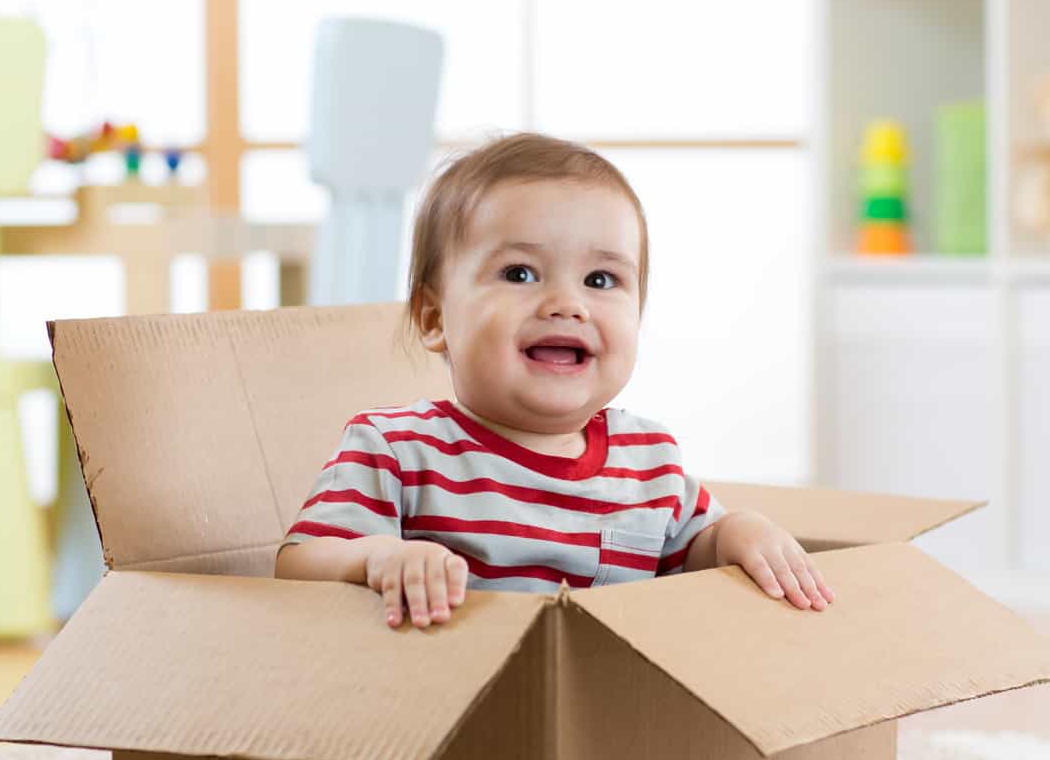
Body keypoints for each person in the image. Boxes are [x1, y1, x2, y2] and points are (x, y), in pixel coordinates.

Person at [275, 133, 833, 628]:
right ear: (434, 319)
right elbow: (299, 561)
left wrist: (740, 533)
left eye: (601, 278)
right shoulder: (397, 448)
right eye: (520, 273)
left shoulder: (650, 461)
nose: (567, 303)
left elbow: (693, 552)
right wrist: (375, 558)